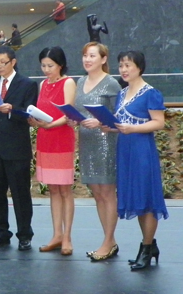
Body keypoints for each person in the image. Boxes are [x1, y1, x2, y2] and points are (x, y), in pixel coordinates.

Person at [104, 50, 168, 270]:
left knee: (147, 199)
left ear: (139, 67)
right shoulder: (122, 93)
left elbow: (158, 122)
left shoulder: (150, 93)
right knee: (139, 200)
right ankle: (150, 246)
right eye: (121, 65)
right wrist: (110, 126)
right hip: (125, 149)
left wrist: (133, 128)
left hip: (142, 150)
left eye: (128, 65)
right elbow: (122, 124)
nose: (123, 69)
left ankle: (146, 247)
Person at [0, 45, 37, 251]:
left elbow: (30, 113)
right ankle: (1, 232)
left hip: (17, 147)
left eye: (3, 63)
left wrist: (12, 109)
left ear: (13, 62)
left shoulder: (27, 84)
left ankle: (24, 234)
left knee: (20, 193)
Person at [71, 42, 121, 261]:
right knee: (98, 193)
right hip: (87, 142)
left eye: (92, 55)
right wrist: (75, 118)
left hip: (106, 142)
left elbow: (119, 118)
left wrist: (99, 122)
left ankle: (108, 241)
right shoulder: (80, 81)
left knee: (108, 192)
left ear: (103, 59)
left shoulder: (111, 83)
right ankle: (108, 240)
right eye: (84, 55)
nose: (87, 59)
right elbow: (79, 110)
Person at [28, 46, 76, 256]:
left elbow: (68, 113)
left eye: (50, 66)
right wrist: (36, 121)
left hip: (61, 138)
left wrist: (49, 125)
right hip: (45, 138)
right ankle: (56, 234)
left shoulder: (68, 82)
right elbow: (43, 110)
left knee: (65, 189)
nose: (46, 70)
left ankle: (67, 237)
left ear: (61, 65)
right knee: (53, 189)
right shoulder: (43, 84)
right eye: (43, 66)